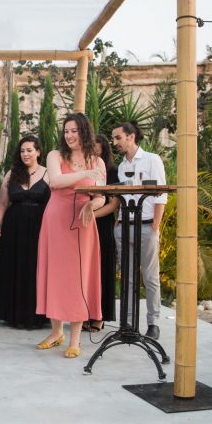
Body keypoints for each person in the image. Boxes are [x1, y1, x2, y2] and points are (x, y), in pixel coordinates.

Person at [36, 113, 106, 358]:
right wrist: (85, 175)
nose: (69, 135)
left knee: (78, 277)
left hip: (82, 221)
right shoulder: (55, 155)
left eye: (74, 131)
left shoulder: (97, 162)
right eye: (66, 131)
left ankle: (75, 340)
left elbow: (101, 196)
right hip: (56, 218)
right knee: (55, 274)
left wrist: (92, 205)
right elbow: (55, 182)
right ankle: (56, 332)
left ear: (84, 132)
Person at [111, 121, 167, 340]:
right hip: (125, 226)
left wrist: (155, 226)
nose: (114, 142)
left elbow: (161, 194)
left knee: (150, 277)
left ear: (131, 136)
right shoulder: (122, 166)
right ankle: (127, 323)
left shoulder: (152, 159)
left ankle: (154, 323)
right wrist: (118, 221)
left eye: (118, 137)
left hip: (146, 225)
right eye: (113, 138)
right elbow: (122, 196)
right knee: (128, 277)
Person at [0, 136, 51, 329]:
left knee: (35, 268)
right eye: (22, 151)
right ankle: (12, 314)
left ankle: (36, 316)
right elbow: (3, 202)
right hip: (13, 228)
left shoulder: (48, 174)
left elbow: (54, 204)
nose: (25, 154)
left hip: (39, 227)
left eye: (29, 150)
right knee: (13, 267)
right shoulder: (12, 174)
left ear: (38, 152)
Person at [88, 134, 120, 331]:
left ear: (104, 149)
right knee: (86, 270)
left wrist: (91, 216)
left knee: (103, 268)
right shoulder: (82, 169)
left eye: (96, 148)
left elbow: (114, 204)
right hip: (84, 223)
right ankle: (84, 313)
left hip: (102, 222)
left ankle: (100, 315)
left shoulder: (112, 171)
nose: (92, 151)